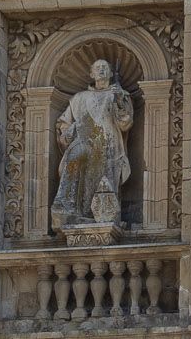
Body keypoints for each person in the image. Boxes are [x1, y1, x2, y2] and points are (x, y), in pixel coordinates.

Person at [54, 60, 135, 226]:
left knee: (106, 180)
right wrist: (69, 131)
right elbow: (63, 123)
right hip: (85, 141)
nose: (102, 70)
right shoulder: (79, 98)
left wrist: (120, 100)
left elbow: (125, 123)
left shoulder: (119, 94)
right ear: (91, 74)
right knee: (76, 160)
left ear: (111, 73)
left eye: (105, 67)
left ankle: (105, 217)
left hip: (109, 145)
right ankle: (71, 209)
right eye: (97, 68)